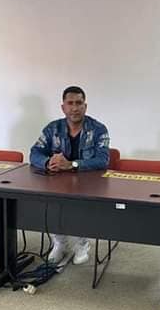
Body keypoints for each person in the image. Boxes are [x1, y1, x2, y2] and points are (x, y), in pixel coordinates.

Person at [30, 85, 110, 265]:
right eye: (70, 103)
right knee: (51, 203)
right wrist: (47, 162)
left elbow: (103, 160)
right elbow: (34, 152)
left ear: (85, 106)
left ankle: (82, 243)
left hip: (88, 182)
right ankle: (59, 242)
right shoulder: (52, 128)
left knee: (78, 205)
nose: (75, 108)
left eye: (79, 103)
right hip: (57, 182)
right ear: (63, 107)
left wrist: (72, 165)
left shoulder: (99, 129)